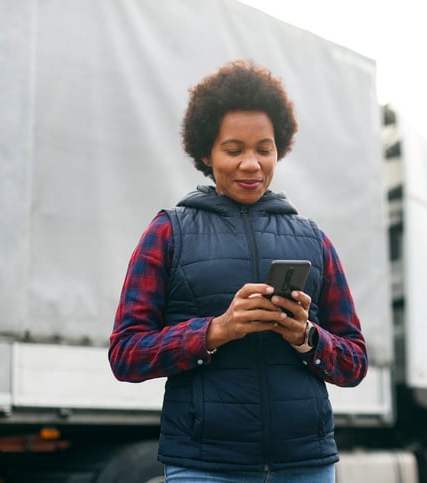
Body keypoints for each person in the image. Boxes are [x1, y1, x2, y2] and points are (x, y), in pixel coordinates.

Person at [108, 59, 368, 483]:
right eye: (234, 150)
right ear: (206, 153)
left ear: (278, 150)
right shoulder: (168, 232)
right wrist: (215, 331)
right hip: (204, 467)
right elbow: (125, 354)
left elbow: (355, 362)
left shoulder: (314, 239)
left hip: (305, 465)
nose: (251, 164)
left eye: (264, 149)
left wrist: (306, 337)